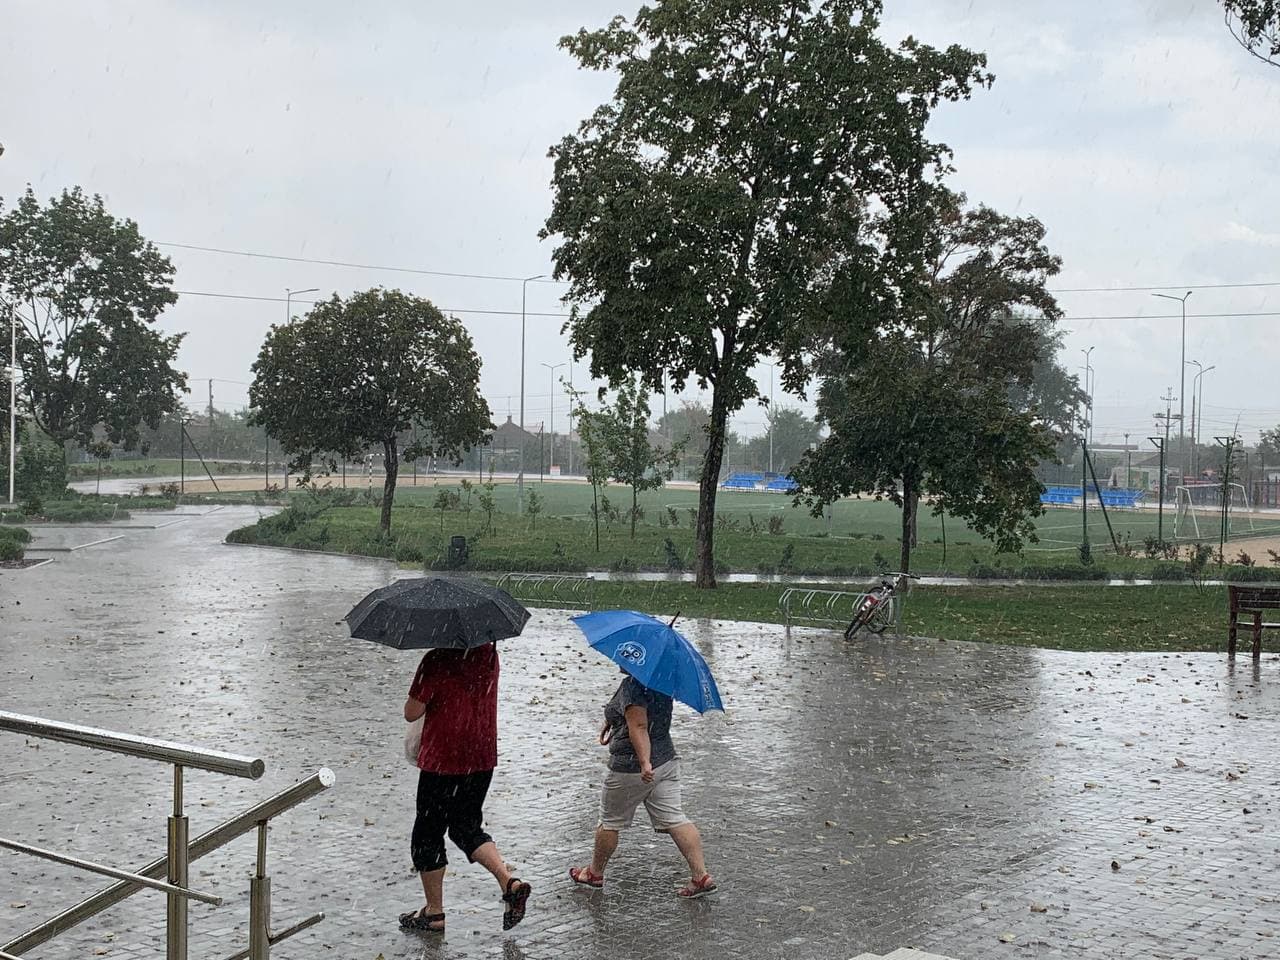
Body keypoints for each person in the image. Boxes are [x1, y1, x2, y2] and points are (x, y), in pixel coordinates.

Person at [398, 642, 531, 933]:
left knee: (428, 834)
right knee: (466, 827)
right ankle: (509, 882)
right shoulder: (488, 654)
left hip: (442, 760)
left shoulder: (436, 659)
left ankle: (434, 913)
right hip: (480, 757)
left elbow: (412, 712)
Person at [568, 670, 716, 898]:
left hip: (631, 768)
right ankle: (701, 876)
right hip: (665, 762)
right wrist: (613, 721)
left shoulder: (634, 685)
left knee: (609, 821)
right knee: (675, 818)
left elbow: (638, 725)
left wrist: (644, 761)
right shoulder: (663, 680)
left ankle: (594, 874)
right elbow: (640, 718)